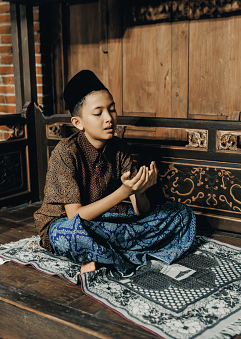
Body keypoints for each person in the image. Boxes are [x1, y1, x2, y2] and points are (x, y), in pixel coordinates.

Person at [34, 70, 196, 274]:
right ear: (78, 122)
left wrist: (139, 191)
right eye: (98, 113)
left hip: (109, 221)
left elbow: (141, 212)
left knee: (181, 214)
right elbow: (75, 216)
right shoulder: (65, 153)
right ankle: (117, 253)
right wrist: (123, 193)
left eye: (112, 110)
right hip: (69, 225)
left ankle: (101, 255)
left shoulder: (120, 147)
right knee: (66, 234)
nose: (109, 118)